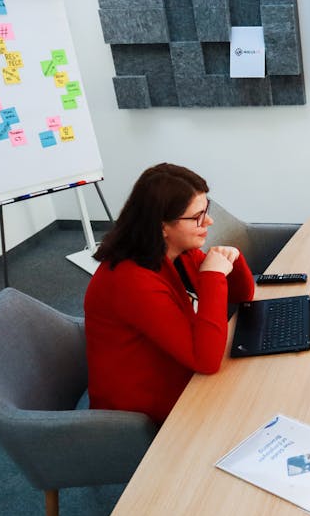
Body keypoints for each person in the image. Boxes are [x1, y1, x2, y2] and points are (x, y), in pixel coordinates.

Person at [85, 163, 255, 425]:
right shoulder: (131, 280)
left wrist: (231, 259)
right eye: (197, 216)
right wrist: (212, 276)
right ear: (163, 226)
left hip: (178, 370)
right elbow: (206, 361)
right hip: (141, 411)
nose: (208, 221)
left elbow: (242, 294)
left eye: (206, 210)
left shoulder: (176, 252)